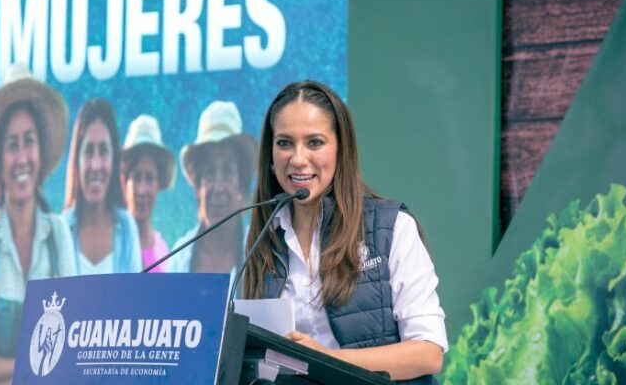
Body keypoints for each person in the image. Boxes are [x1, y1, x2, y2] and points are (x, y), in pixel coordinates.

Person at [241, 81, 447, 382]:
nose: (298, 159)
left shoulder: (391, 227)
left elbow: (428, 353)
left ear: (341, 149)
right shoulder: (263, 238)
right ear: (270, 155)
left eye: (314, 142)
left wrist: (323, 360)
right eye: (284, 143)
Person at [0, 66, 75, 385]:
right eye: (12, 145)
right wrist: (38, 363)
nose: (22, 157)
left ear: (41, 152)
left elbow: (75, 354)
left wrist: (4, 367)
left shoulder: (58, 235)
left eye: (29, 141)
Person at [167, 101, 256, 274]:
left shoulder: (260, 254)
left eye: (228, 171)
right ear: (197, 187)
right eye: (209, 172)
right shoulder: (179, 259)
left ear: (241, 187)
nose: (218, 188)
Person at [62, 99, 141, 274]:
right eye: (89, 151)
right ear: (77, 160)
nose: (95, 165)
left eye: (103, 151)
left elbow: (137, 298)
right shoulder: (61, 231)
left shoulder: (127, 228)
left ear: (114, 159)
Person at [120, 115, 175, 272]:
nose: (142, 190)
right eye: (137, 177)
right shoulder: (112, 244)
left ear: (158, 184)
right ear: (124, 182)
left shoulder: (163, 251)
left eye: (149, 178)